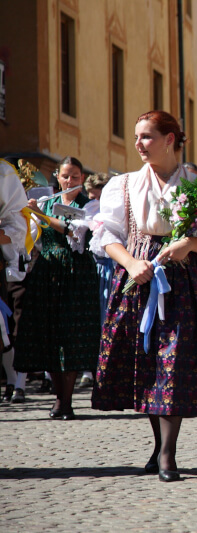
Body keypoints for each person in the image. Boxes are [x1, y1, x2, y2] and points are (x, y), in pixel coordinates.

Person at [90, 110, 197, 482]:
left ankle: (168, 453)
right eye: (137, 137)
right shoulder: (124, 185)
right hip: (140, 278)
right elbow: (107, 235)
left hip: (184, 280)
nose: (138, 144)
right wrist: (132, 264)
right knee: (149, 362)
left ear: (170, 139)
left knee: (175, 361)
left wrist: (190, 242)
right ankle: (158, 445)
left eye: (147, 136)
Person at [14, 156, 101, 419]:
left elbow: (74, 231)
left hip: (77, 274)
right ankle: (59, 399)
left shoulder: (92, 205)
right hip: (49, 271)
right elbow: (30, 238)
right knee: (50, 334)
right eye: (65, 176)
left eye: (75, 176)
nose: (69, 181)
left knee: (71, 335)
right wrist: (24, 212)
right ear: (58, 178)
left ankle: (67, 400)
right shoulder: (46, 202)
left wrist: (40, 215)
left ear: (82, 178)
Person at [0, 160, 31, 404]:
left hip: (13, 266)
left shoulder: (3, 172)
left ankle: (15, 380)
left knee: (7, 328)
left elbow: (17, 226)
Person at [80, 172, 113, 389]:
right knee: (92, 317)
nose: (94, 201)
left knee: (109, 316)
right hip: (94, 266)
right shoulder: (90, 208)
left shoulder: (115, 207)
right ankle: (90, 369)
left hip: (113, 265)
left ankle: (110, 367)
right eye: (91, 196)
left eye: (97, 196)